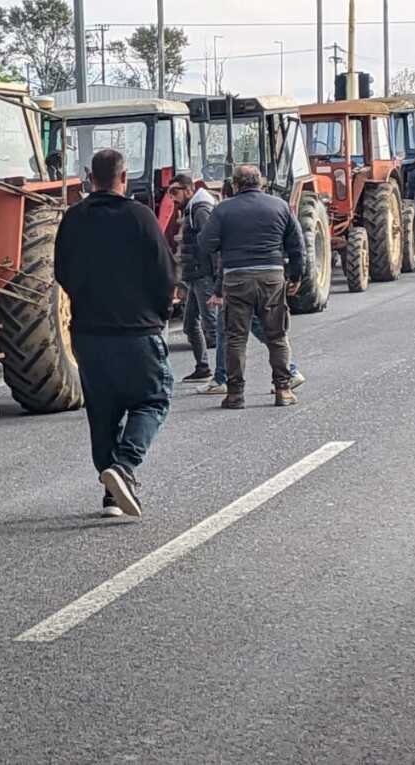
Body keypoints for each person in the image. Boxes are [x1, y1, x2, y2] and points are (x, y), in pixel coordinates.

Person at [55, 149, 177, 518]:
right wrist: (159, 312)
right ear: (123, 178)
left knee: (103, 410)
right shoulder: (140, 216)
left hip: (90, 333)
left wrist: (86, 301)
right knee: (153, 399)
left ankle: (111, 496)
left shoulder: (73, 219)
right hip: (137, 329)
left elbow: (62, 271)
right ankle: (124, 467)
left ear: (91, 178)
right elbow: (164, 272)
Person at [200, 165, 304, 410]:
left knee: (235, 338)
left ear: (235, 185)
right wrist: (296, 275)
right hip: (272, 276)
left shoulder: (223, 209)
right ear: (261, 183)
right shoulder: (279, 206)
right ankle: (283, 390)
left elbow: (205, 244)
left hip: (236, 279)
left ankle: (235, 395)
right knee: (277, 336)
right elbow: (296, 244)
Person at [170, 174, 217, 382]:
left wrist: (217, 281)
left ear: (189, 190)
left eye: (175, 191)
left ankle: (225, 375)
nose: (172, 197)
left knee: (213, 327)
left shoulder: (200, 210)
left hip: (203, 275)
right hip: (195, 276)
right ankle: (203, 367)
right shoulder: (191, 209)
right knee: (190, 324)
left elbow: (212, 245)